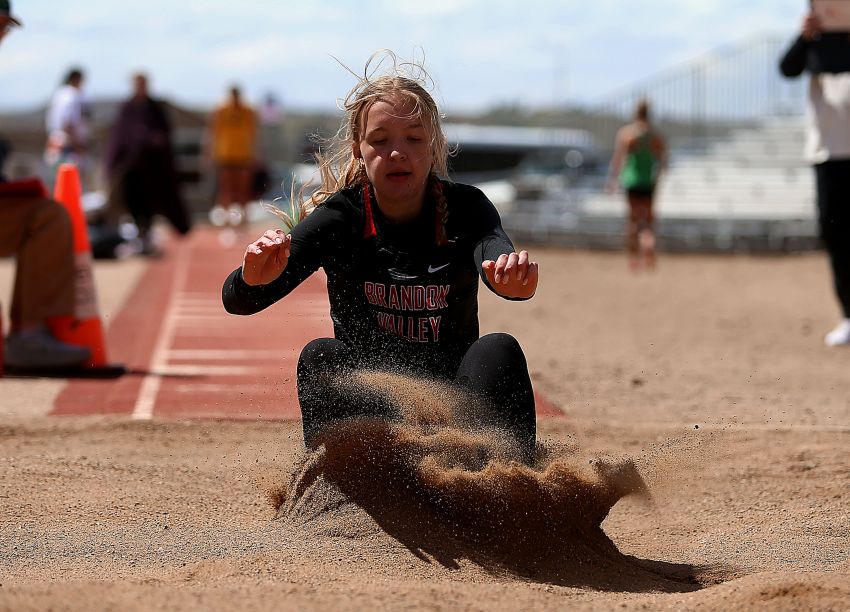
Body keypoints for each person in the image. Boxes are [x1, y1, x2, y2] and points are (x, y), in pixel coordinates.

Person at [222, 54, 540, 462]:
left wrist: (512, 282)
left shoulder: (467, 207)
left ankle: (517, 493)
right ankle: (338, 494)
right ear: (358, 148)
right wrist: (254, 277)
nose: (397, 153)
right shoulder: (341, 217)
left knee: (498, 349)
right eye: (380, 140)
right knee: (321, 356)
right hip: (375, 417)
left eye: (413, 138)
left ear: (434, 145)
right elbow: (240, 301)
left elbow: (497, 258)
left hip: (456, 414)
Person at [1, 0, 91, 370]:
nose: (4, 36)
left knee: (47, 209)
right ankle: (28, 336)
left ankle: (28, 335)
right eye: (2, 26)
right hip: (66, 147)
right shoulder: (70, 97)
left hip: (59, 148)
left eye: (6, 28)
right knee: (49, 216)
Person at [780, 10, 850, 346]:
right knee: (835, 235)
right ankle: (849, 315)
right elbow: (787, 68)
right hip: (828, 154)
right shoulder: (814, 42)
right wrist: (804, 36)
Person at [104, 72, 191, 255]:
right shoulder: (127, 108)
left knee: (150, 204)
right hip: (131, 168)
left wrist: (152, 140)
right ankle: (139, 237)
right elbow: (120, 135)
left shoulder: (155, 107)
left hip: (152, 169)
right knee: (132, 201)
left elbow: (164, 132)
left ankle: (148, 235)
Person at [607, 98, 667, 271]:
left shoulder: (627, 134)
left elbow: (618, 160)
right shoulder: (655, 136)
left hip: (631, 181)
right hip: (648, 182)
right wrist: (656, 179)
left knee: (633, 221)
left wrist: (612, 181)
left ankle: (634, 259)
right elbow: (663, 162)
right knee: (648, 222)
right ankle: (649, 247)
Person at [207, 85, 258, 227]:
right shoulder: (221, 109)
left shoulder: (248, 111)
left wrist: (255, 153)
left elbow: (254, 133)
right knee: (226, 188)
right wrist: (210, 152)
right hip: (225, 154)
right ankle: (225, 217)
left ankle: (243, 217)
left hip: (243, 154)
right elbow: (213, 132)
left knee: (243, 188)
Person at [44, 66, 91, 191]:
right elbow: (67, 122)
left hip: (55, 144)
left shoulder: (59, 94)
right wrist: (77, 145)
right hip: (69, 147)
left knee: (59, 186)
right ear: (76, 80)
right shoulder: (73, 95)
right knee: (72, 188)